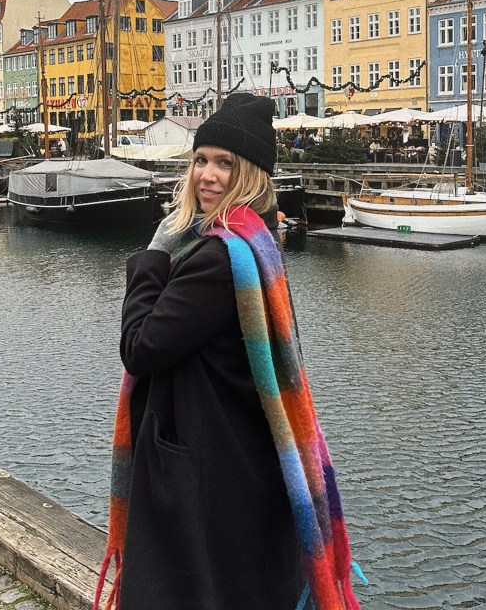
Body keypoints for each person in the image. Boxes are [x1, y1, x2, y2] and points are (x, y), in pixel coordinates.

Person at [96, 93, 361, 610]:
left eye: (225, 164)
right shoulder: (258, 241)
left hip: (201, 464)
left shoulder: (215, 257)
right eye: (201, 160)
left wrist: (151, 258)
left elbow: (140, 349)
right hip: (239, 450)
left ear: (252, 176)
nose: (207, 176)